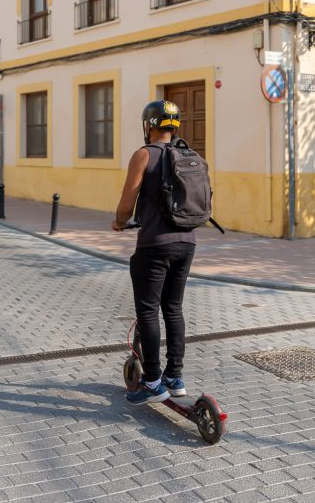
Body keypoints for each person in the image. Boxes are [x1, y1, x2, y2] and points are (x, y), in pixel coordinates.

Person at [112, 100, 194, 405]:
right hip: (187, 243)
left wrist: (119, 222)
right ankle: (175, 377)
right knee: (173, 309)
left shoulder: (144, 155)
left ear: (149, 125)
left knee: (148, 311)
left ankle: (153, 382)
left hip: (155, 245)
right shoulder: (190, 155)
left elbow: (127, 203)